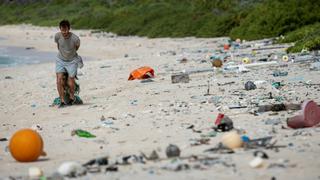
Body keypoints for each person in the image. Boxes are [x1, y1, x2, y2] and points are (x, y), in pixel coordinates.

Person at [54, 19, 83, 108]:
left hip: (72, 61)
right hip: (60, 60)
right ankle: (62, 101)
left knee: (71, 82)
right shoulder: (57, 36)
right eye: (62, 30)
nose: (64, 32)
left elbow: (77, 47)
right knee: (59, 80)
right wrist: (64, 55)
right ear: (60, 29)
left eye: (66, 30)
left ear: (69, 29)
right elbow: (59, 46)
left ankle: (71, 97)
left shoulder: (75, 38)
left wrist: (69, 55)